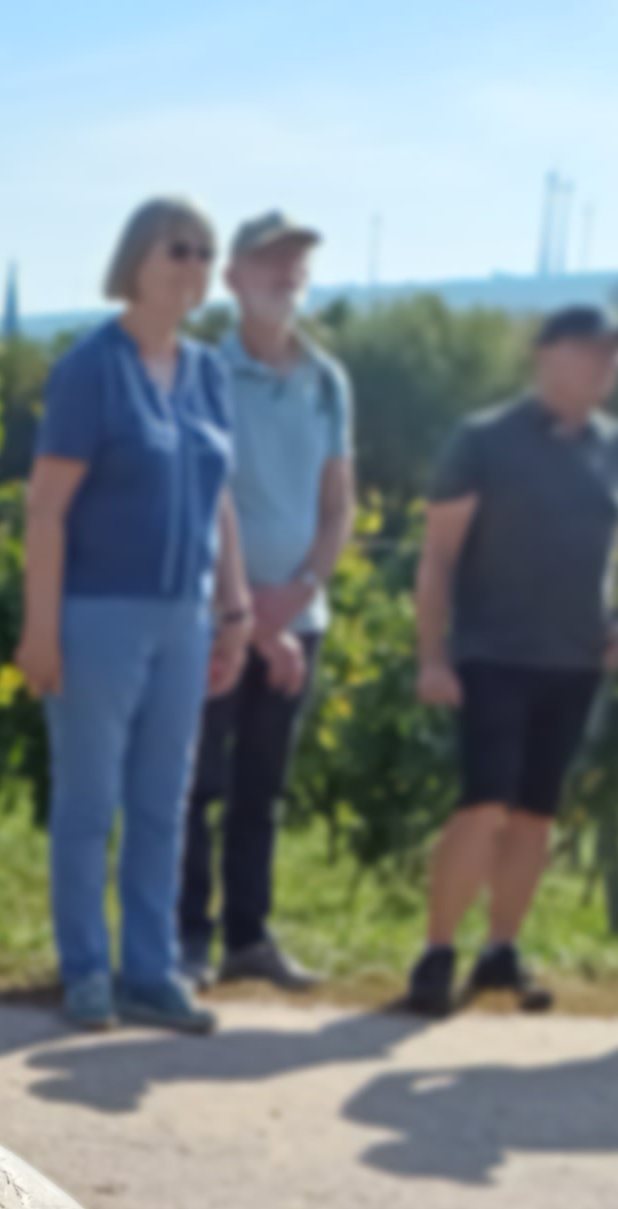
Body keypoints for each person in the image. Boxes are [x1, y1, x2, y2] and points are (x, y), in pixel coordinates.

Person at [15, 196, 251, 1035]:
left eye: (204, 252)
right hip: (95, 616)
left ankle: (150, 972)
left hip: (185, 619)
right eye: (177, 249)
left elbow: (219, 499)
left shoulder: (210, 373)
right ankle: (87, 971)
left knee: (164, 802)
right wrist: (40, 629)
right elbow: (46, 510)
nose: (193, 266)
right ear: (138, 261)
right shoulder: (91, 369)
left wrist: (236, 606)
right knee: (89, 805)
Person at [402, 302, 618, 1016]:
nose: (606, 366)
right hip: (491, 651)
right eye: (591, 351)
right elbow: (438, 557)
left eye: (616, 354)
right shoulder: (483, 440)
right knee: (482, 802)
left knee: (534, 815)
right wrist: (433, 656)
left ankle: (500, 952)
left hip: (576, 660)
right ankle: (436, 953)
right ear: (545, 356)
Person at [181, 211, 354, 993]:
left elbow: (338, 504)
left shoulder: (326, 381)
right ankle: (186, 941)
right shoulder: (205, 374)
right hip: (217, 617)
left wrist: (303, 592)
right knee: (197, 786)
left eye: (297, 262)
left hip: (299, 618)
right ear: (235, 279)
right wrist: (247, 611)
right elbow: (201, 497)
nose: (287, 273)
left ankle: (248, 936)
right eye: (271, 261)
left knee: (262, 787)